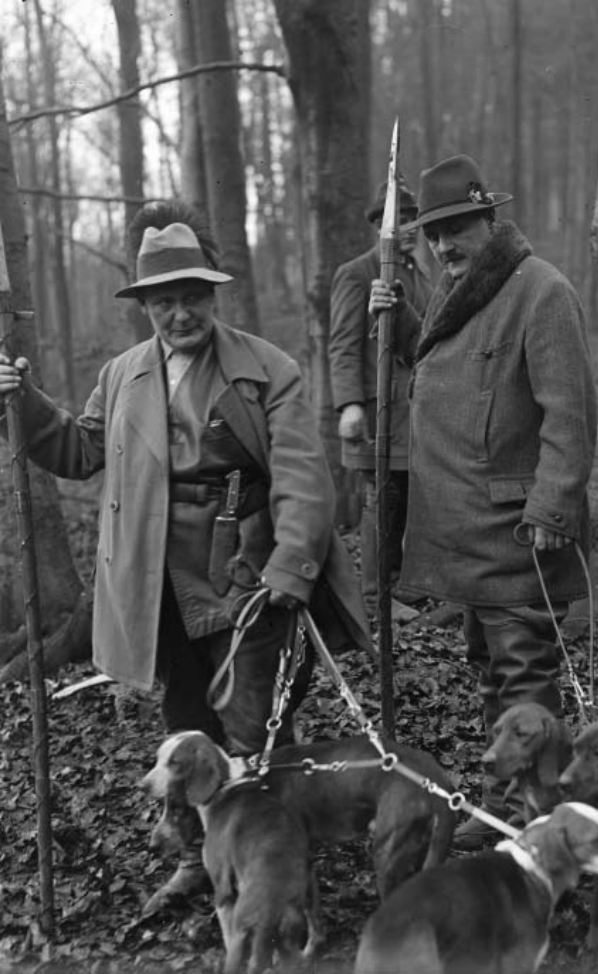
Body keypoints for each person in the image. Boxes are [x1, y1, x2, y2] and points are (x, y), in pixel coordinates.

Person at [0, 200, 370, 907]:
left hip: (247, 579)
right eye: (164, 302)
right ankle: (202, 855)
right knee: (184, 720)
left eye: (192, 298)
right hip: (155, 581)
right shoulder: (123, 375)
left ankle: (271, 867)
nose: (179, 316)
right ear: (145, 306)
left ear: (212, 295)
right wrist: (23, 405)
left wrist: (290, 569)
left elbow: (302, 479)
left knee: (254, 726)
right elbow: (80, 452)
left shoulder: (267, 369)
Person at [370, 155, 597, 847]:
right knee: (492, 675)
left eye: (457, 228)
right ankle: (511, 803)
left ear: (489, 219)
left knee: (526, 680)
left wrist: (552, 508)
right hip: (462, 531)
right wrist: (400, 318)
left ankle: (545, 826)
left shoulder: (540, 291)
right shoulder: (460, 289)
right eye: (432, 234)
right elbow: (449, 365)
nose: (442, 246)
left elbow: (569, 412)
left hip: (518, 530)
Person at [329, 180, 432, 621]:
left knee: (405, 499)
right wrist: (349, 404)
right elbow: (343, 345)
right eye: (400, 220)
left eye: (414, 219)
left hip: (417, 414)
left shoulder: (421, 276)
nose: (409, 228)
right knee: (379, 501)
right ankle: (375, 600)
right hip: (377, 413)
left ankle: (396, 590)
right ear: (380, 228)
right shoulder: (357, 273)